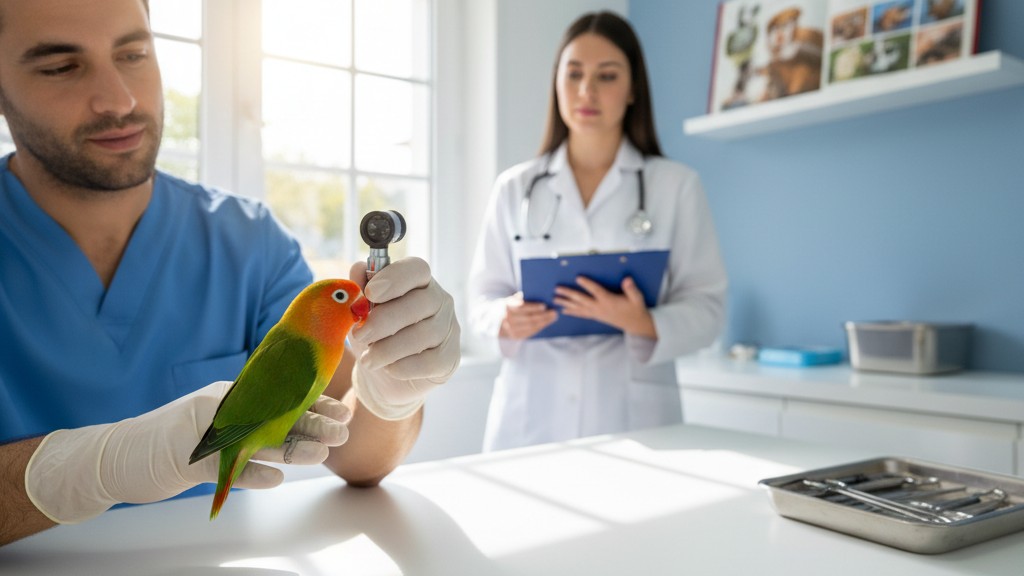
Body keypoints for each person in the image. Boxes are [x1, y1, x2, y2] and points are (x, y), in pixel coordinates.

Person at [0, 0, 459, 545]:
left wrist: (391, 391)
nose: (119, 100)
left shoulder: (249, 242)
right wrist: (82, 473)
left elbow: (358, 455)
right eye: (60, 67)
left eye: (134, 54)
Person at [468, 11, 727, 452]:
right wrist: (504, 318)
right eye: (574, 74)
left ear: (633, 89)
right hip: (531, 420)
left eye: (607, 76)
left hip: (636, 422)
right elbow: (479, 304)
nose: (587, 90)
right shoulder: (514, 188)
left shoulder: (676, 186)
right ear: (557, 83)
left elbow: (708, 309)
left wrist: (643, 322)